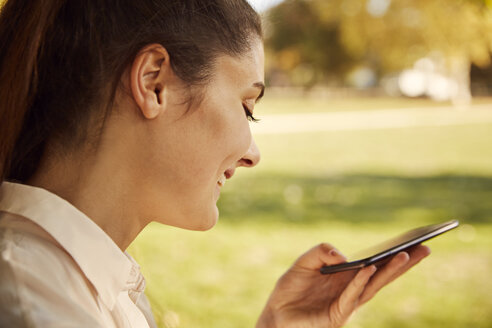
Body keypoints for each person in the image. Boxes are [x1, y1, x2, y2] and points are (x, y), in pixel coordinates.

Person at [0, 0, 431, 327]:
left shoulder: (93, 279)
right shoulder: (31, 302)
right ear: (154, 83)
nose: (252, 154)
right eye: (247, 107)